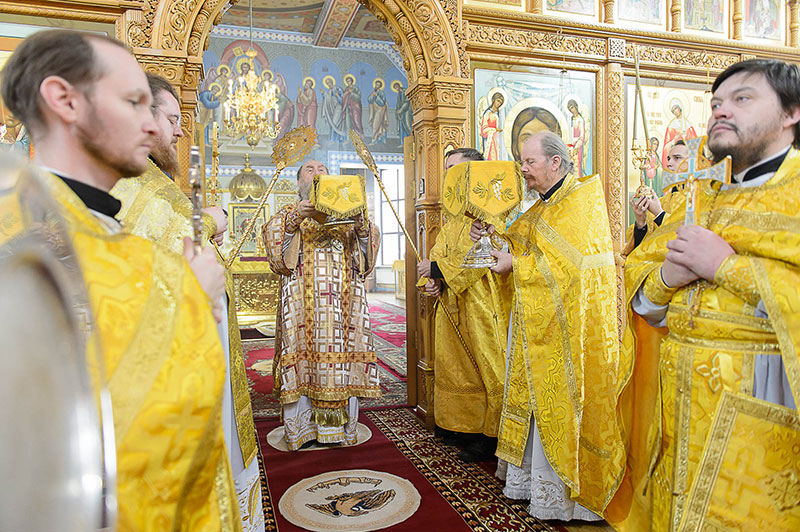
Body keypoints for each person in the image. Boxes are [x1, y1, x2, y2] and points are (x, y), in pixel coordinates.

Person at [0, 30, 241, 530]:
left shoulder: (105, 228)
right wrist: (192, 298)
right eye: (134, 101)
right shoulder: (18, 228)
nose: (153, 126)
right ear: (64, 100)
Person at [611, 58, 800, 531]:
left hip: (765, 399)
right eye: (716, 102)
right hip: (678, 404)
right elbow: (644, 299)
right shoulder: (699, 195)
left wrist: (724, 267)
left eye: (742, 98)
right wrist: (669, 278)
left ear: (791, 112)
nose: (721, 111)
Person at [110, 73, 265, 532]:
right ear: (143, 115)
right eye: (174, 119)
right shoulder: (134, 180)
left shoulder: (152, 180)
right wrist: (212, 224)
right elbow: (157, 254)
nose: (180, 130)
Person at [472, 132, 626, 520]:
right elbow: (520, 243)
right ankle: (531, 482)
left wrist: (516, 266)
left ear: (555, 162)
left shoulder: (580, 202)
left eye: (529, 162)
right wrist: (491, 237)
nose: (523, 170)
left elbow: (571, 270)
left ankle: (565, 495)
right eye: (522, 162)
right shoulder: (543, 206)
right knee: (536, 402)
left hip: (569, 333)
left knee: (559, 402)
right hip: (537, 325)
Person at [262, 159, 381, 450]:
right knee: (303, 360)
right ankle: (301, 430)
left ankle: (341, 430)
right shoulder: (289, 213)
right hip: (303, 305)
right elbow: (274, 249)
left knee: (344, 356)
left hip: (344, 304)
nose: (316, 174)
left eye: (322, 170)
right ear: (299, 182)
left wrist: (361, 225)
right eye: (309, 170)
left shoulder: (348, 211)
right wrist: (294, 221)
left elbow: (367, 256)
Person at [418, 147, 510, 462]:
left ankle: (489, 435)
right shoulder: (455, 215)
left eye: (456, 169)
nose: (449, 175)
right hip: (451, 303)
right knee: (456, 369)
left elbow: (485, 260)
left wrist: (436, 270)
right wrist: (434, 280)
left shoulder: (493, 213)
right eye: (447, 169)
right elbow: (440, 250)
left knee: (486, 367)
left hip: (483, 305)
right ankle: (457, 427)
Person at [626, 140, 689, 253]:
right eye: (668, 159)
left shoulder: (700, 200)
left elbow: (689, 239)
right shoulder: (663, 201)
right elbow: (643, 248)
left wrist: (660, 214)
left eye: (677, 158)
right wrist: (641, 223)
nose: (669, 164)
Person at [480, 92, 504, 161]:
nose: (499, 103)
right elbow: (484, 129)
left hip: (496, 139)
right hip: (489, 140)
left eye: (500, 103)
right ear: (494, 100)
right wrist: (494, 129)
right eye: (498, 101)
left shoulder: (498, 114)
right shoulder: (488, 113)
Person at [367, 79, 388, 145]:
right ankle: (379, 138)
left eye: (378, 85)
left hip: (380, 110)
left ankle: (373, 140)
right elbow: (369, 100)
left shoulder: (381, 93)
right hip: (374, 110)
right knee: (378, 124)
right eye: (376, 84)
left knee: (375, 125)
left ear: (380, 86)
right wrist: (372, 96)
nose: (376, 86)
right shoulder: (373, 92)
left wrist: (377, 96)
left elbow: (382, 103)